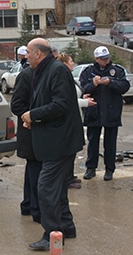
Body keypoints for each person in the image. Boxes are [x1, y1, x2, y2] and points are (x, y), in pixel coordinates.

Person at [20, 38, 84, 251]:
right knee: (57, 188)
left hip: (60, 142)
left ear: (38, 53)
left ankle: (52, 235)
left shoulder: (56, 70)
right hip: (56, 139)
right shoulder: (46, 70)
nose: (26, 56)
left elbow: (60, 105)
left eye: (28, 52)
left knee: (46, 188)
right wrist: (33, 121)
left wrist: (33, 115)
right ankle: (67, 226)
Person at [79, 46, 130, 181]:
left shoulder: (117, 70)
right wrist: (93, 84)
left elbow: (124, 87)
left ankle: (109, 169)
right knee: (93, 142)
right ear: (96, 59)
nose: (106, 61)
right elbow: (82, 90)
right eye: (103, 59)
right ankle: (91, 168)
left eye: (107, 58)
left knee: (110, 143)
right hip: (94, 112)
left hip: (111, 112)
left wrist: (110, 83)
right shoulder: (88, 71)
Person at [57, 53, 97, 189]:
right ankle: (66, 178)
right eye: (71, 61)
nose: (73, 63)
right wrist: (85, 102)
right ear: (64, 64)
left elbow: (74, 95)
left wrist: (83, 96)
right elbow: (69, 101)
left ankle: (70, 175)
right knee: (68, 150)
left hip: (76, 118)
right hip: (69, 119)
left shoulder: (69, 76)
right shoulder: (62, 78)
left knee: (73, 149)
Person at [10, 56, 39, 222]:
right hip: (30, 132)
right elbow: (16, 105)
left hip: (36, 133)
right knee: (35, 171)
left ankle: (28, 205)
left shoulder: (41, 75)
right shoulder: (27, 75)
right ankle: (34, 208)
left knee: (33, 170)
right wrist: (31, 117)